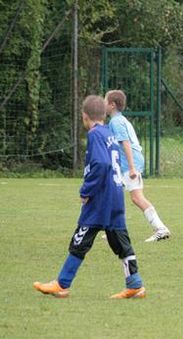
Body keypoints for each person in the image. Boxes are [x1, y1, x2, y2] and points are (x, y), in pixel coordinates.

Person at [33, 95, 146, 299]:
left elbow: (101, 164)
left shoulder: (94, 135)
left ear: (85, 117)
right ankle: (135, 284)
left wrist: (86, 191)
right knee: (121, 243)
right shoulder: (109, 133)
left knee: (80, 241)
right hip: (115, 194)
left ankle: (62, 284)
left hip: (100, 199)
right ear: (103, 114)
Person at [105, 90, 170, 242]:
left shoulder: (116, 122)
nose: (103, 104)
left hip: (129, 162)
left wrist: (132, 167)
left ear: (112, 105)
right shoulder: (119, 120)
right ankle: (113, 228)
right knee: (113, 193)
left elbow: (125, 142)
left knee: (136, 197)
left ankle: (160, 228)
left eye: (105, 101)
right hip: (126, 163)